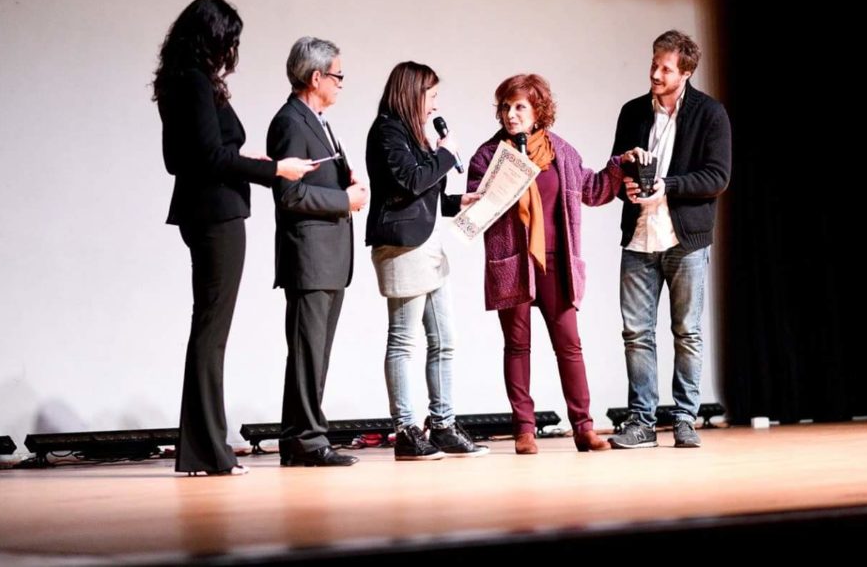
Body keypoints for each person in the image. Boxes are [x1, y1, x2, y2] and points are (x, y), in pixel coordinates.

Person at [153, 0, 316, 476]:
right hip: (216, 215)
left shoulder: (178, 80)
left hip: (203, 212)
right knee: (211, 332)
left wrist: (260, 166)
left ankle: (203, 449)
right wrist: (274, 170)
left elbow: (183, 158)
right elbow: (205, 158)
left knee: (208, 329)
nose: (232, 50)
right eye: (229, 40)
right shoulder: (194, 82)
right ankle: (207, 451)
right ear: (211, 36)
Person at [467, 73, 645, 454]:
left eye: (519, 107)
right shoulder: (487, 156)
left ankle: (583, 427)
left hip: (556, 263)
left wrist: (618, 166)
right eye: (505, 107)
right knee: (517, 346)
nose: (510, 115)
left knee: (570, 345)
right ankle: (525, 430)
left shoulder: (560, 152)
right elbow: (475, 212)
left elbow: (593, 190)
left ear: (538, 111)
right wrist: (501, 180)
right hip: (513, 262)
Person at [606, 30, 731, 450]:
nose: (656, 74)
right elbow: (618, 165)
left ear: (687, 72)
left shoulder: (710, 114)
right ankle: (641, 421)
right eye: (653, 64)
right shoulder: (632, 112)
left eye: (665, 68)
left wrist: (668, 185)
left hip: (685, 239)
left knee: (687, 332)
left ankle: (684, 418)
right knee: (636, 332)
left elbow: (718, 177)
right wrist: (625, 180)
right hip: (639, 235)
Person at [365, 61, 489, 461]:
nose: (435, 104)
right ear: (413, 93)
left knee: (444, 341)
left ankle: (443, 424)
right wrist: (445, 153)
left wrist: (457, 202)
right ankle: (405, 430)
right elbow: (409, 182)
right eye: (431, 96)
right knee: (404, 340)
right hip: (402, 248)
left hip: (429, 244)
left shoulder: (412, 134)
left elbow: (423, 195)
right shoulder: (387, 131)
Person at [266, 37, 368, 467]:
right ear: (315, 77)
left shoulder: (318, 120)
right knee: (308, 352)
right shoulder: (291, 121)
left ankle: (300, 437)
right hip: (309, 257)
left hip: (328, 256)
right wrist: (344, 201)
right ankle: (307, 439)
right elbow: (289, 194)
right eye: (338, 75)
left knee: (314, 352)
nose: (342, 82)